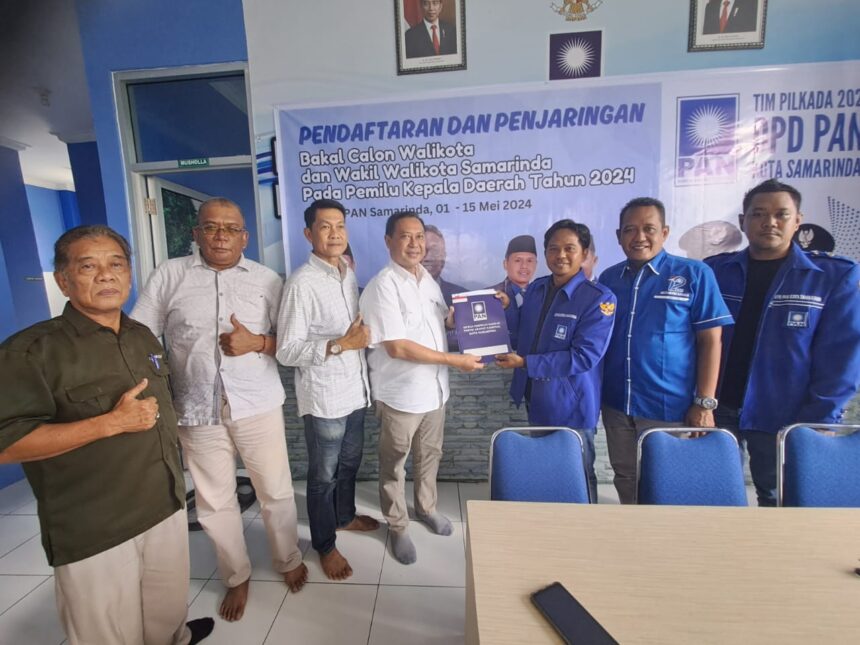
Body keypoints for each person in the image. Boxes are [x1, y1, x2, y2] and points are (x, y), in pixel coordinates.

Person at [0, 225, 213, 645]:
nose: (106, 275)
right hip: (96, 526)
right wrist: (108, 423)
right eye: (88, 266)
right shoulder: (32, 351)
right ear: (63, 280)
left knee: (167, 614)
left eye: (116, 264)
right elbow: (7, 443)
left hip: (163, 504)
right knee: (108, 633)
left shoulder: (142, 335)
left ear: (129, 274)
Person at [131, 198, 306, 623]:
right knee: (213, 501)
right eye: (211, 227)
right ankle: (235, 574)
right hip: (195, 408)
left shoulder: (268, 280)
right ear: (197, 234)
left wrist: (257, 342)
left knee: (276, 491)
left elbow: (291, 343)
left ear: (245, 237)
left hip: (256, 404)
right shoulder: (169, 275)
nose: (221, 236)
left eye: (231, 228)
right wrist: (156, 383)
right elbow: (139, 336)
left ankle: (287, 558)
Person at [705, 179, 860, 506]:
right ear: (743, 221)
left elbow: (842, 355)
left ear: (798, 220)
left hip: (785, 415)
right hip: (717, 408)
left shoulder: (831, 275)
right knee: (713, 498)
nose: (769, 222)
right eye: (759, 214)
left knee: (780, 501)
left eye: (781, 214)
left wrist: (822, 417)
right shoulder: (715, 271)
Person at [360, 211, 484, 565]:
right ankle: (398, 525)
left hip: (435, 392)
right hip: (400, 395)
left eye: (419, 237)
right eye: (406, 236)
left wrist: (479, 313)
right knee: (394, 464)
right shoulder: (383, 286)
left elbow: (442, 319)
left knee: (430, 455)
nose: (415, 244)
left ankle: (426, 508)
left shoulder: (426, 277)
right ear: (389, 241)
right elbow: (397, 347)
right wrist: (454, 361)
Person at [599, 197, 733, 504]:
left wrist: (705, 403)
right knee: (626, 475)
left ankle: (667, 534)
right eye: (630, 230)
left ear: (665, 232)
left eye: (648, 228)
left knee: (670, 481)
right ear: (619, 235)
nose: (639, 237)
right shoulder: (609, 279)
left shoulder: (694, 274)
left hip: (668, 405)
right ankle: (633, 528)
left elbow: (711, 341)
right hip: (617, 402)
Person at [276, 199, 379, 581]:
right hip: (324, 398)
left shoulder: (346, 273)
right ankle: (324, 544)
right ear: (309, 233)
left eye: (340, 226)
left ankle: (344, 516)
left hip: (355, 391)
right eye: (325, 226)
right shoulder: (301, 283)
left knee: (349, 463)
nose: (335, 233)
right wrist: (339, 345)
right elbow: (287, 350)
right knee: (323, 476)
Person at [495, 220, 616, 502]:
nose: (561, 255)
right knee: (546, 468)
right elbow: (523, 331)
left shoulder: (599, 299)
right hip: (536, 395)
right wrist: (506, 309)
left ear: (584, 253)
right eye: (553, 248)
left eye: (569, 248)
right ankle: (549, 519)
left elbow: (584, 357)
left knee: (578, 473)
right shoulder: (537, 289)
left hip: (572, 402)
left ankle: (584, 523)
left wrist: (525, 363)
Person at [421, 224, 466, 306]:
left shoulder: (463, 297)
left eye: (435, 251)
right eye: (422, 250)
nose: (427, 258)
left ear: (444, 257)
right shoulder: (397, 294)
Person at [492, 234, 538, 306]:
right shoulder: (490, 295)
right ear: (505, 264)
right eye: (517, 260)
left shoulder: (543, 296)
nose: (524, 266)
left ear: (536, 264)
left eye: (529, 261)